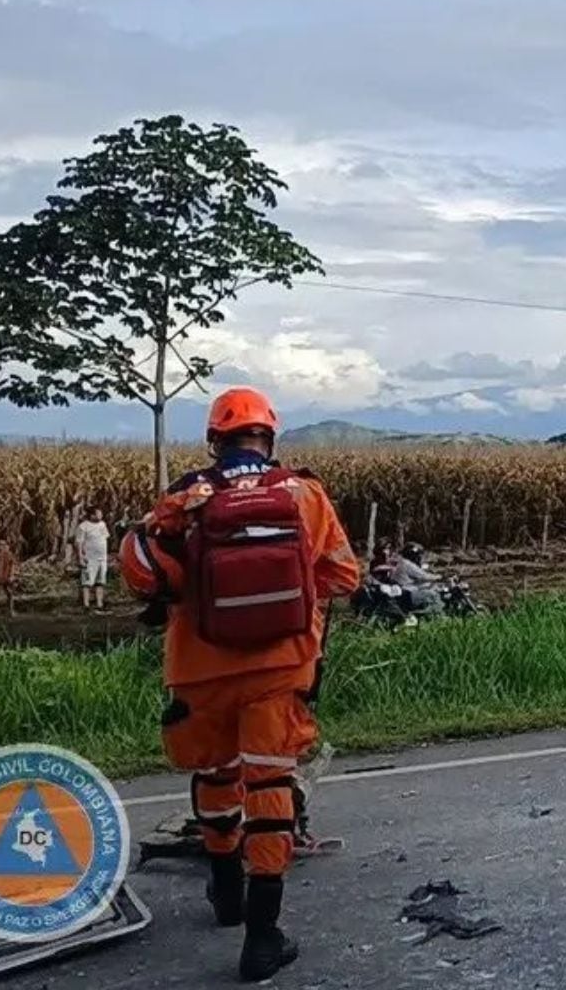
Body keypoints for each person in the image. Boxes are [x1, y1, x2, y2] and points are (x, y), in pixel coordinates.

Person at [119, 387, 359, 981]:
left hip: (200, 668)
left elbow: (146, 575)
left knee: (218, 774)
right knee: (269, 783)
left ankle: (225, 890)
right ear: (269, 438)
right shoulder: (304, 494)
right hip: (280, 665)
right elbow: (343, 576)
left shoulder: (184, 498)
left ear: (213, 440)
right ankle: (262, 935)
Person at [73, 506, 112, 612]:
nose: (101, 515)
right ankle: (86, 605)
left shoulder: (103, 525)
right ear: (92, 515)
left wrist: (107, 556)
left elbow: (105, 539)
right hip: (89, 559)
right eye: (98, 513)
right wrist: (80, 557)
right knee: (87, 582)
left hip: (101, 559)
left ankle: (100, 604)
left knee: (100, 582)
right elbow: (79, 543)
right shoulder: (83, 526)